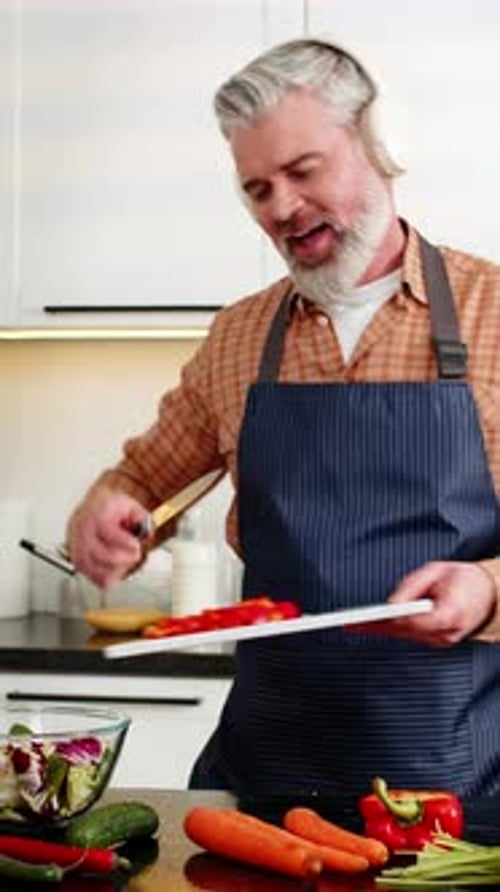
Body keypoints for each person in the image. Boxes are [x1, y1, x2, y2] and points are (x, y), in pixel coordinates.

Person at [67, 38, 500, 802]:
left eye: (304, 172)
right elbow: (141, 482)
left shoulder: (491, 313)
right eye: (257, 189)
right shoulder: (237, 339)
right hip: (267, 784)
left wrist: (487, 589)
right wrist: (109, 510)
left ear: (379, 145)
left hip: (458, 790)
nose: (282, 209)